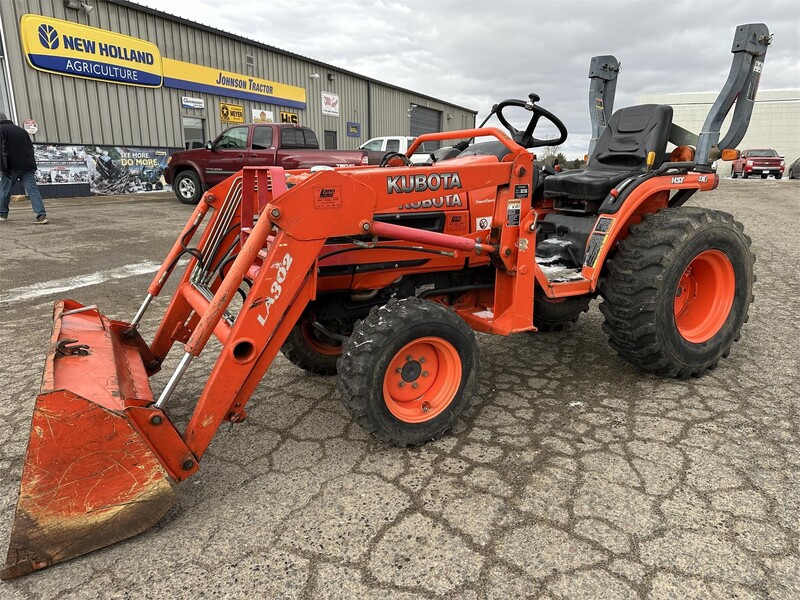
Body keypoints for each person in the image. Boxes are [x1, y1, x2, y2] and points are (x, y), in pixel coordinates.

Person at [0, 112, 48, 224]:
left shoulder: (1, 130)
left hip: (11, 167)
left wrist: (4, 168)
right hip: (27, 167)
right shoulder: (21, 131)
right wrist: (32, 166)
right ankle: (41, 215)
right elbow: (30, 148)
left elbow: (1, 151)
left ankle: (2, 214)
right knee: (33, 191)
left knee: (4, 191)